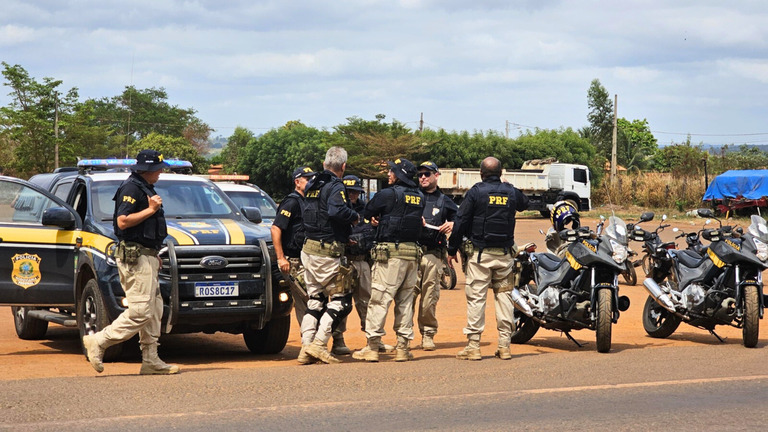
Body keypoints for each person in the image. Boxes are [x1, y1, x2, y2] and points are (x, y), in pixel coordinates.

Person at [82, 149, 180, 375]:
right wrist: (151, 209)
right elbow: (123, 222)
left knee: (154, 309)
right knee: (140, 312)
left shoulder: (144, 187)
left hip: (147, 256)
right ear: (148, 169)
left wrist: (153, 254)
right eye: (158, 169)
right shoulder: (131, 188)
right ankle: (99, 341)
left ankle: (151, 360)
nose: (161, 172)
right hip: (136, 259)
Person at [447, 156, 529, 361]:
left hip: (480, 257)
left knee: (476, 299)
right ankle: (505, 346)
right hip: (504, 257)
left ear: (481, 173)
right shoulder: (510, 191)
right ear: (501, 173)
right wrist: (509, 186)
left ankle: (474, 347)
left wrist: (451, 249)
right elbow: (524, 203)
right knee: (504, 299)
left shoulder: (476, 192)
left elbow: (461, 221)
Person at [272, 166, 349, 363]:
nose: (310, 181)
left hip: (308, 257)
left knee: (314, 302)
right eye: (306, 178)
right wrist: (281, 258)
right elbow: (275, 228)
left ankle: (308, 348)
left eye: (311, 177)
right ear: (297, 181)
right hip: (295, 261)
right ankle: (311, 346)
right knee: (309, 303)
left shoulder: (310, 199)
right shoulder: (292, 202)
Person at [353, 158, 425, 362]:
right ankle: (403, 348)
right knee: (405, 302)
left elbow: (368, 212)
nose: (388, 174)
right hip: (412, 255)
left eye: (392, 171)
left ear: (399, 174)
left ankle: (373, 347)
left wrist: (377, 219)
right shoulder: (419, 196)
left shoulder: (387, 194)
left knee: (379, 300)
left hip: (390, 256)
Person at [300, 147, 360, 364]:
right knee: (341, 301)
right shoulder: (335, 186)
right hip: (327, 252)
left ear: (325, 163)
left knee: (315, 300)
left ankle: (305, 348)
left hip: (309, 249)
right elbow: (336, 212)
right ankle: (318, 344)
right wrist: (354, 217)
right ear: (343, 167)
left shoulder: (312, 184)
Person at [413, 161, 458, 351]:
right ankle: (403, 337)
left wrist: (453, 225)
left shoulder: (444, 201)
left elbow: (462, 219)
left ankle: (428, 334)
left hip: (433, 255)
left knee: (429, 298)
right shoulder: (412, 196)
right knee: (406, 298)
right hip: (411, 254)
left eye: (427, 174)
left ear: (436, 176)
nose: (423, 177)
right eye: (420, 174)